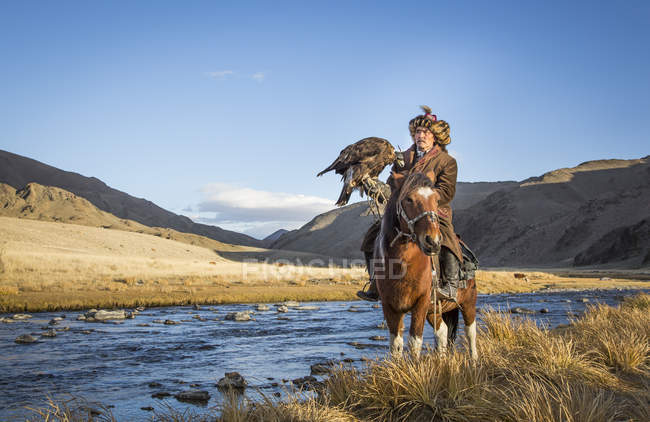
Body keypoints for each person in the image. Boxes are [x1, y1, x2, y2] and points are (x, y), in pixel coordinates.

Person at [357, 106, 463, 302]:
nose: (420, 135)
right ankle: (375, 282)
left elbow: (446, 192)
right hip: (403, 212)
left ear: (435, 137)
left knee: (447, 238)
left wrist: (423, 198)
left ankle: (450, 285)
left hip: (433, 210)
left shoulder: (446, 161)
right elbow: (392, 184)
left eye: (425, 132)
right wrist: (380, 190)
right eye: (417, 132)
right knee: (372, 237)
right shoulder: (402, 158)